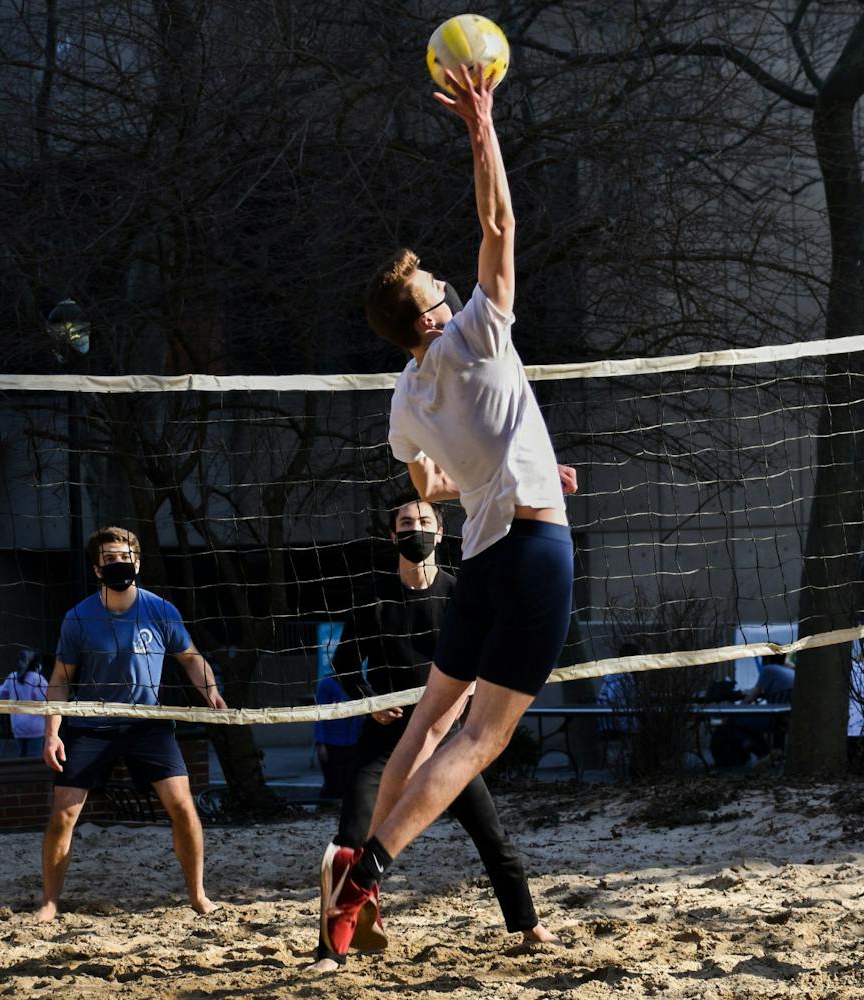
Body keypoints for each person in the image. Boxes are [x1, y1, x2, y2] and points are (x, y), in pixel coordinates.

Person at [319, 64, 578, 959]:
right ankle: (369, 872)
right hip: (537, 552)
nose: (446, 282)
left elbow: (430, 486)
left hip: (484, 552)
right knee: (480, 738)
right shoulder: (474, 333)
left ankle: (354, 850)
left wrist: (537, 465)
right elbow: (500, 222)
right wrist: (482, 126)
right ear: (431, 315)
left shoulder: (403, 399)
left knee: (431, 721)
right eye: (435, 283)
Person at [307, 499, 556, 972]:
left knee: (493, 837)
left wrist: (460, 707)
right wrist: (371, 702)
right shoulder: (374, 599)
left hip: (447, 743)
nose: (414, 529)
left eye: (423, 522)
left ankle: (529, 927)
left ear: (440, 534)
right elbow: (342, 667)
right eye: (405, 523)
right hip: (384, 737)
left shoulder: (461, 596)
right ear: (392, 536)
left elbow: (487, 667)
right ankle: (330, 952)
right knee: (349, 840)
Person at [36, 526, 229, 922]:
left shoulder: (160, 610)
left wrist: (210, 689)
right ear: (97, 568)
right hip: (92, 723)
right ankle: (50, 903)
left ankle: (198, 896)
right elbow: (60, 679)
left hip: (147, 722)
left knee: (183, 807)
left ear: (137, 562)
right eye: (109, 559)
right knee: (63, 814)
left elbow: (190, 658)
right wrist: (52, 732)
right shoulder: (78, 618)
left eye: (124, 557)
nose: (118, 564)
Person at [711, 653, 794, 767]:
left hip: (775, 719)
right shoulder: (789, 670)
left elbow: (751, 697)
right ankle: (766, 752)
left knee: (734, 721)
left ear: (768, 658)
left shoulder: (769, 669)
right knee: (747, 719)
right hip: (786, 718)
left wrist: (732, 713)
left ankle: (761, 753)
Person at [314, 670, 362, 800]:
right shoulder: (327, 684)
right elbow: (319, 715)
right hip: (332, 742)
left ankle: (341, 811)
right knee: (333, 783)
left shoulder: (357, 683)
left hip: (352, 741)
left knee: (350, 783)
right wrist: (320, 743)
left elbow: (360, 715)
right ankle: (325, 808)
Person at [0, 649, 49, 757]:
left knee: (21, 759)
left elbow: (0, 694)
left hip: (17, 726)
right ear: (36, 664)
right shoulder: (37, 678)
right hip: (36, 727)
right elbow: (44, 700)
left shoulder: (12, 677)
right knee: (34, 760)